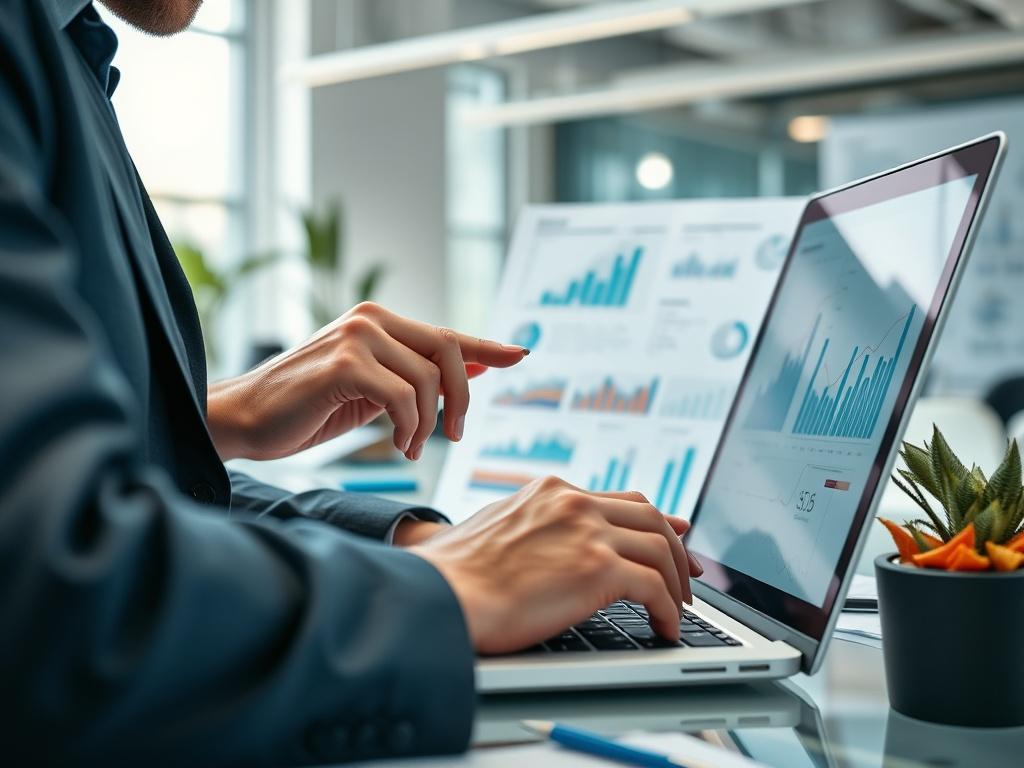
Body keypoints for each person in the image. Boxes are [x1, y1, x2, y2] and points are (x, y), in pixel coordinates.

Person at [0, 1, 700, 764]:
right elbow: (58, 595)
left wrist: (415, 541)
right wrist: (446, 589)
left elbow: (95, 499)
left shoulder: (65, 50)